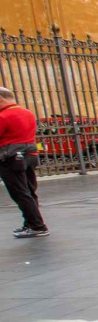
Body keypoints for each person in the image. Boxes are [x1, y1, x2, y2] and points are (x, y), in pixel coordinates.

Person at [0, 87, 47, 238]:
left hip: (11, 157)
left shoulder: (4, 116)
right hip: (29, 154)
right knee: (29, 191)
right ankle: (31, 224)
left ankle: (37, 226)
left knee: (20, 193)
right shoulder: (28, 113)